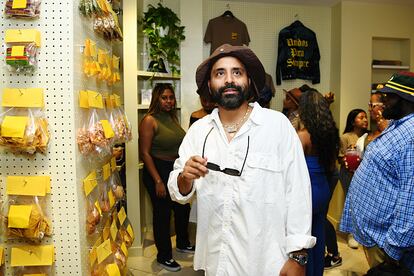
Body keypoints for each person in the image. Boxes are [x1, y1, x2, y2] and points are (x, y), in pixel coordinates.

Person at [167, 44, 315, 275]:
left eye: (237, 72)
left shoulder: (277, 127)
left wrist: (298, 256)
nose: (229, 80)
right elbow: (178, 192)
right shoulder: (199, 132)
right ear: (209, 84)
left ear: (248, 81)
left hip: (266, 262)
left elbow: (297, 193)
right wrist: (185, 177)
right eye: (220, 73)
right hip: (217, 262)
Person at [340, 71, 414, 274]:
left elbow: (411, 198)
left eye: (388, 97)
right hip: (378, 238)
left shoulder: (412, 134)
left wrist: (393, 249)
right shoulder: (397, 126)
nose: (383, 102)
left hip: (389, 245)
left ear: (406, 99)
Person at [138, 83, 194, 272]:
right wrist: (158, 181)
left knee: (182, 207)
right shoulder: (149, 120)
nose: (169, 101)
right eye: (164, 98)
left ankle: (183, 242)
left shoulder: (172, 117)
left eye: (171, 97)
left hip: (174, 168)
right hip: (157, 169)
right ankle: (163, 256)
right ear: (156, 99)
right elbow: (144, 153)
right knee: (162, 214)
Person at [297, 89, 340, 276]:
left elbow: (294, 169)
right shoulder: (330, 134)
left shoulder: (302, 136)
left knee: (302, 238)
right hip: (322, 188)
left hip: (306, 191)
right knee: (318, 232)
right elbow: (332, 167)